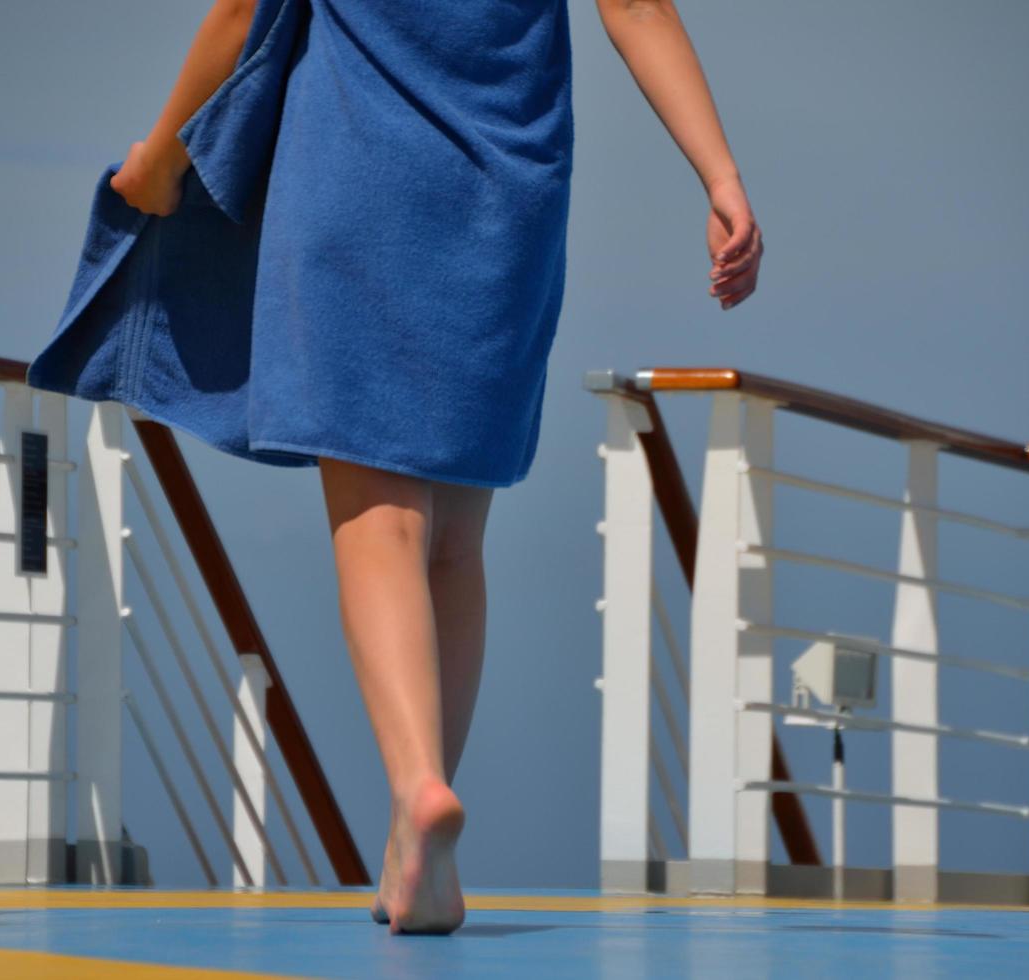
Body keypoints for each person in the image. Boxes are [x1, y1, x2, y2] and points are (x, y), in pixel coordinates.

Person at [104, 0, 762, 935]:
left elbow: (244, 9)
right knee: (455, 539)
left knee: (380, 518)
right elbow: (635, 8)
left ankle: (416, 792)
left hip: (358, 176)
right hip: (506, 196)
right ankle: (414, 846)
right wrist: (722, 178)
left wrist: (164, 152)